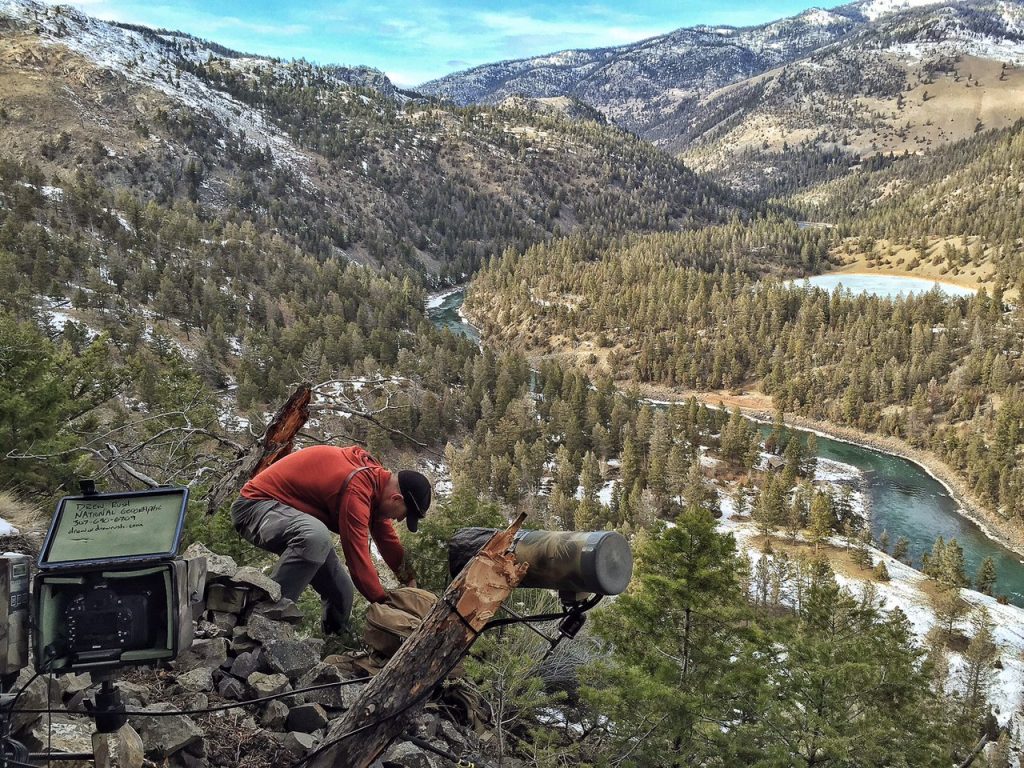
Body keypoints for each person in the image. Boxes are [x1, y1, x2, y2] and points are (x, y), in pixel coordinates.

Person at [230, 444, 431, 634]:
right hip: (254, 508)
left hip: (288, 516)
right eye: (403, 514)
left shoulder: (376, 485)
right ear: (396, 498)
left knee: (341, 592)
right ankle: (262, 620)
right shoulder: (357, 488)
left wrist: (409, 580)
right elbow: (357, 559)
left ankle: (336, 642)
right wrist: (387, 607)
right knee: (316, 537)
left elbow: (387, 541)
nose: (398, 519)